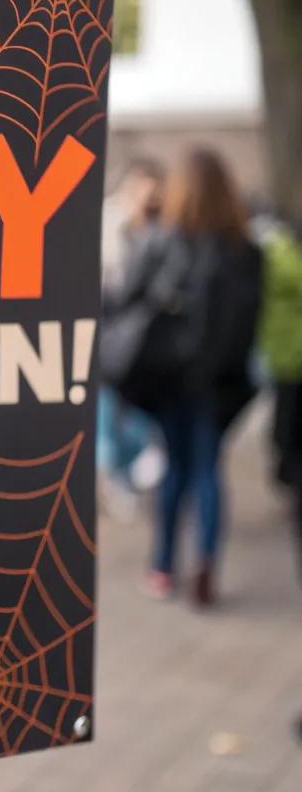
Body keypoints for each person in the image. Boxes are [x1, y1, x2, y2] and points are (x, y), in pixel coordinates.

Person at [103, 148, 261, 607]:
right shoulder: (246, 251)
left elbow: (125, 301)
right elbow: (251, 323)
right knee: (208, 468)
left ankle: (163, 566)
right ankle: (206, 560)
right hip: (219, 382)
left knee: (175, 467)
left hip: (169, 379)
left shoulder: (159, 241)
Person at [97, 157, 166, 512]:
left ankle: (126, 473)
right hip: (112, 335)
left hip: (141, 340)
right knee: (109, 411)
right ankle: (114, 478)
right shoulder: (111, 226)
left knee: (130, 412)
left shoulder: (158, 230)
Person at [258, 218, 302, 573]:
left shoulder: (276, 254)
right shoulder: (278, 254)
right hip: (287, 357)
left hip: (286, 355)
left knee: (287, 427)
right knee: (286, 427)